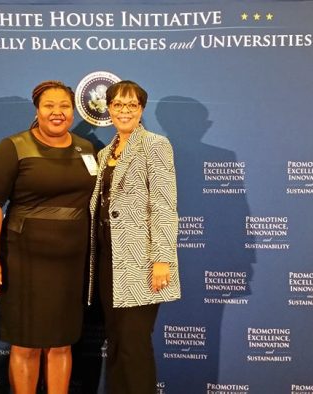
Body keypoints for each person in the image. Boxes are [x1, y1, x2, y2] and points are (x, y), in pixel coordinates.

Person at [0, 81, 97, 394]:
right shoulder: (13, 147)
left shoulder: (86, 148)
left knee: (62, 342)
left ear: (74, 110)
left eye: (64, 106)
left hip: (71, 264)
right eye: (49, 106)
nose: (57, 113)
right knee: (27, 344)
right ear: (37, 110)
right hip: (24, 261)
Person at [88, 80, 181, 393]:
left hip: (141, 262)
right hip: (108, 262)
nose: (124, 111)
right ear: (109, 110)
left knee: (134, 344)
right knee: (115, 343)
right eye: (117, 105)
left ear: (141, 110)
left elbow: (165, 205)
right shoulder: (104, 154)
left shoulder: (155, 145)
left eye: (131, 105)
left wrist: (162, 259)